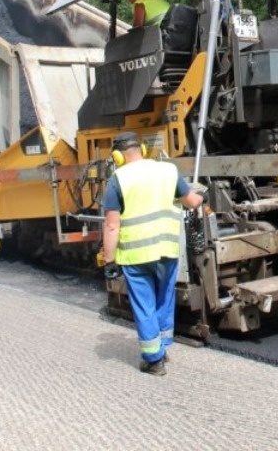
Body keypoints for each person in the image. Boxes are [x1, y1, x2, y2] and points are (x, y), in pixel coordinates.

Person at [100, 131, 204, 375]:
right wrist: (201, 197)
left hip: (135, 256)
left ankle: (153, 359)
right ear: (143, 150)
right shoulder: (167, 170)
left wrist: (109, 260)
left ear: (118, 156)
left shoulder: (118, 179)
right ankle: (163, 346)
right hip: (166, 251)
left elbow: (112, 224)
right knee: (164, 299)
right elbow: (191, 201)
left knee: (143, 304)